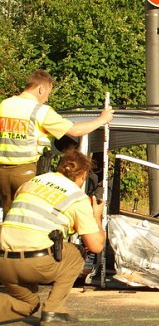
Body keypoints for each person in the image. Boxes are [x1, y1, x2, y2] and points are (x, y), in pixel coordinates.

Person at [0, 148, 106, 326]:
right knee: (77, 253)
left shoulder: (31, 183)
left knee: (27, 304)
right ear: (82, 174)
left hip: (4, 261)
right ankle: (54, 310)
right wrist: (96, 215)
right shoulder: (76, 197)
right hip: (35, 263)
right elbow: (96, 246)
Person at [0, 69, 113, 216]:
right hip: (25, 171)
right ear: (41, 89)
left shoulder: (5, 104)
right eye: (48, 93)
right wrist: (101, 120)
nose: (46, 99)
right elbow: (75, 131)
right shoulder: (40, 111)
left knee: (8, 214)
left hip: (2, 173)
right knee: (27, 214)